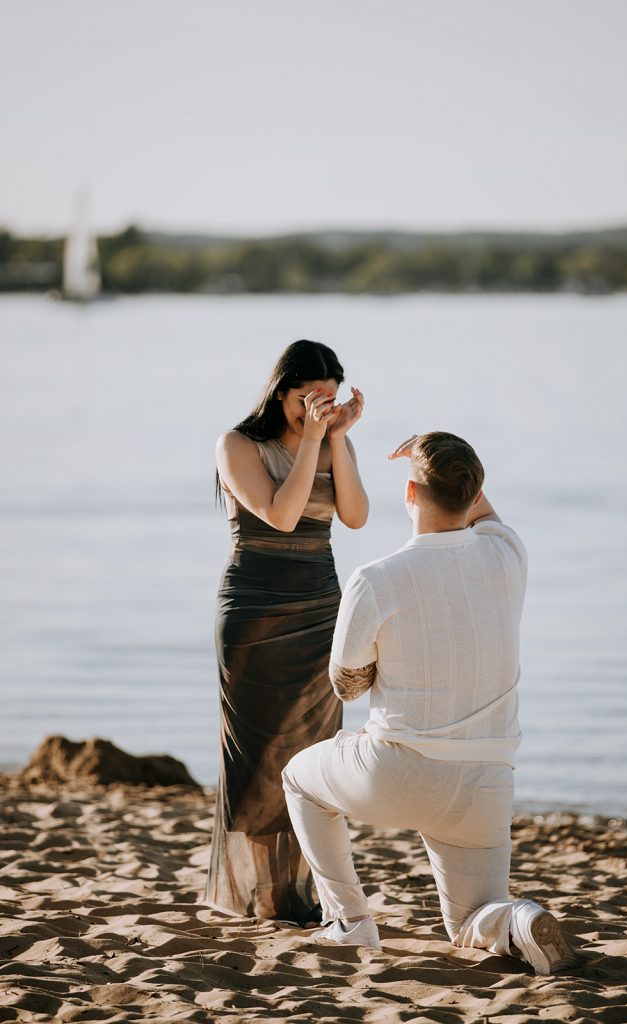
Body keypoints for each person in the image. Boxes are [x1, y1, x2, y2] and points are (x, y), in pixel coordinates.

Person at [282, 431, 580, 974]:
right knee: (471, 921)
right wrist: (440, 448)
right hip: (486, 782)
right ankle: (514, 921)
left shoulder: (375, 579)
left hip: (396, 773)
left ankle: (349, 922)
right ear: (474, 492)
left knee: (300, 778)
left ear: (409, 493)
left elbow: (345, 686)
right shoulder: (508, 551)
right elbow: (481, 504)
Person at [205, 339, 368, 924]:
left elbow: (354, 516)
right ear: (282, 392)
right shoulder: (237, 444)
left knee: (313, 755)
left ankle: (299, 895)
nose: (317, 410)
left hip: (320, 610)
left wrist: (338, 441)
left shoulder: (327, 441)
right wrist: (315, 444)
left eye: (328, 399)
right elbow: (280, 514)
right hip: (254, 614)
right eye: (307, 400)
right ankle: (253, 896)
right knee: (255, 759)